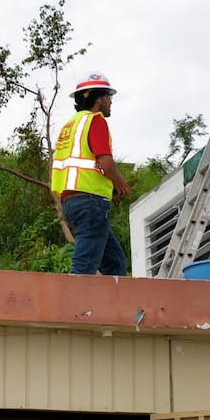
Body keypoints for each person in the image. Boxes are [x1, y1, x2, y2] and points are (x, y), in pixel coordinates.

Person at [51, 72, 131, 275]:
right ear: (98, 99)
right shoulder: (95, 120)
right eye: (108, 97)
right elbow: (104, 160)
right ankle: (72, 306)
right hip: (91, 202)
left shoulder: (69, 125)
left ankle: (114, 306)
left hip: (71, 202)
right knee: (83, 268)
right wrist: (118, 181)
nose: (110, 102)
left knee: (115, 262)